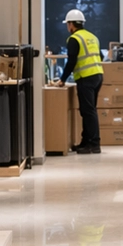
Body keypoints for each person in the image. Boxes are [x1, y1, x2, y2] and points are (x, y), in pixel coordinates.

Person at [51, 9, 103, 154]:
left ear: (71, 24)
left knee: (88, 112)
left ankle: (94, 144)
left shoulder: (74, 39)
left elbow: (71, 61)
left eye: (68, 24)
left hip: (86, 78)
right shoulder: (92, 37)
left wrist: (62, 80)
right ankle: (86, 142)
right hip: (97, 76)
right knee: (88, 111)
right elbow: (100, 57)